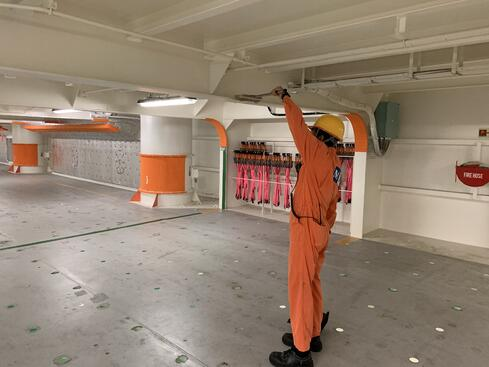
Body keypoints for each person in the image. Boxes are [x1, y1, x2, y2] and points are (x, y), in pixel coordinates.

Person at [269, 87, 344, 367]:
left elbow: (297, 125)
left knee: (299, 286)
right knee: (311, 281)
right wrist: (324, 228)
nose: (311, 136)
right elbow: (334, 205)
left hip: (306, 227)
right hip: (321, 228)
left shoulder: (315, 151)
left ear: (321, 136)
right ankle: (312, 334)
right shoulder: (336, 163)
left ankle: (301, 354)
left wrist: (285, 98)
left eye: (315, 133)